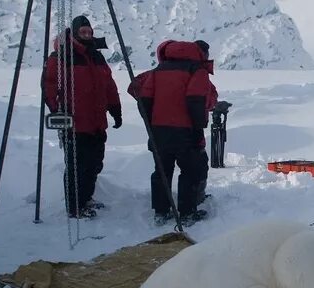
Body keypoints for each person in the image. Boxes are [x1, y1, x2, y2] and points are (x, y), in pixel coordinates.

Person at [41, 15, 121, 218]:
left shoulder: (96, 56)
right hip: (75, 122)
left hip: (96, 121)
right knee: (77, 165)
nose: (86, 35)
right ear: (75, 33)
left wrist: (115, 108)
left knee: (95, 162)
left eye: (89, 32)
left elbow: (109, 85)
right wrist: (56, 109)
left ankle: (86, 198)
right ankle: (75, 207)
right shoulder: (61, 56)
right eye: (82, 32)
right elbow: (49, 85)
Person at [131, 39, 216, 224]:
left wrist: (152, 124)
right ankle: (186, 214)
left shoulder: (158, 70)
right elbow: (196, 100)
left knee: (162, 171)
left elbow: (144, 99)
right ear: (201, 54)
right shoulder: (197, 70)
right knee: (189, 171)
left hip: (159, 132)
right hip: (185, 130)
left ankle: (161, 212)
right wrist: (198, 127)